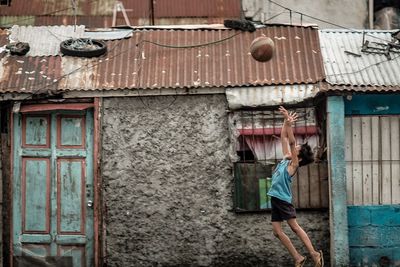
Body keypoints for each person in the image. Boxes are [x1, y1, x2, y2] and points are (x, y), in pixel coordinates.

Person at [267, 106, 324, 267]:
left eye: (297, 148)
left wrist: (290, 125)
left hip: (283, 200)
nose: (295, 146)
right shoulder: (286, 159)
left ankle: (314, 253)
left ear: (298, 155)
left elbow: (290, 141)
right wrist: (286, 121)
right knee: (277, 232)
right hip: (275, 198)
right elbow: (283, 137)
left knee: (295, 228)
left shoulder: (293, 164)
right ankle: (298, 257)